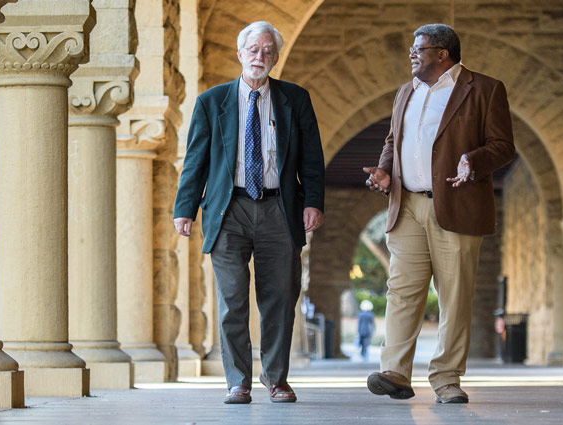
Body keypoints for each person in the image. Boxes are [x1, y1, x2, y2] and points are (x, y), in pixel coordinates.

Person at [173, 21, 325, 405]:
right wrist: (184, 208)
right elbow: (196, 160)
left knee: (280, 297)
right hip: (228, 209)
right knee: (232, 301)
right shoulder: (212, 101)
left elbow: (312, 159)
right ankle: (237, 381)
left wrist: (313, 202)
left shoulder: (295, 98)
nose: (260, 56)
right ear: (239, 54)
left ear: (275, 57)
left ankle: (276, 379)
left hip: (279, 207)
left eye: (268, 50)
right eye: (253, 49)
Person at [361, 23, 514, 404]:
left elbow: (503, 145)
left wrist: (473, 160)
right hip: (407, 204)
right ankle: (395, 370)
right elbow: (393, 140)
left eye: (420, 48)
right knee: (402, 290)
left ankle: (447, 379)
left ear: (443, 54)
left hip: (458, 205)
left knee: (455, 294)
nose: (412, 54)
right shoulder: (405, 93)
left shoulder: (484, 89)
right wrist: (384, 171)